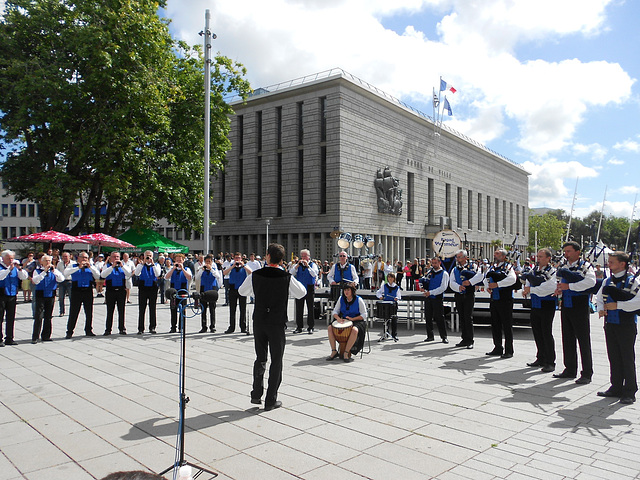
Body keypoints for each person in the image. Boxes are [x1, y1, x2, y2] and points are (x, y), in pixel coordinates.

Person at [238, 243, 306, 411]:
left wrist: (258, 291)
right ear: (282, 259)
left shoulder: (256, 274)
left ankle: (256, 393)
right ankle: (271, 399)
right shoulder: (286, 277)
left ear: (267, 256)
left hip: (260, 320)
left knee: (260, 357)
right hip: (276, 322)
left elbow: (241, 291)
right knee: (276, 360)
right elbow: (302, 293)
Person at [596, 251, 640, 404]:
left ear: (622, 264)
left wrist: (618, 305)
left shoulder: (633, 280)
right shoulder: (607, 281)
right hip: (610, 324)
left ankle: (629, 391)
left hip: (626, 325)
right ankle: (616, 387)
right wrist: (601, 307)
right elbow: (599, 296)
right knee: (613, 356)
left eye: (612, 261)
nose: (609, 264)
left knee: (627, 358)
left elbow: (637, 302)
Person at [554, 241, 596, 384]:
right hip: (566, 304)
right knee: (567, 337)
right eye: (565, 251)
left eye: (569, 251)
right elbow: (559, 281)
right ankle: (570, 368)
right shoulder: (564, 266)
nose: (566, 254)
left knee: (583, 339)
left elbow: (590, 282)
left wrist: (569, 286)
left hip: (579, 305)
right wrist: (559, 289)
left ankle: (587, 372)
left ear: (578, 252)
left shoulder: (585, 266)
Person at [522, 248, 558, 373]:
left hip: (547, 304)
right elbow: (528, 280)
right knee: (537, 331)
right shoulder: (534, 269)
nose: (538, 258)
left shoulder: (552, 271)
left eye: (541, 256)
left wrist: (531, 290)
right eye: (538, 256)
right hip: (536, 304)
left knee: (546, 332)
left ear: (548, 258)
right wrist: (527, 287)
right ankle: (540, 357)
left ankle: (550, 361)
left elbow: (549, 287)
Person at [484, 249, 517, 358]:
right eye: (495, 253)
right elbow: (486, 278)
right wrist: (487, 286)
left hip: (505, 299)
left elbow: (512, 279)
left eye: (497, 253)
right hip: (494, 298)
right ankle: (497, 347)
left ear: (503, 256)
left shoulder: (508, 267)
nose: (495, 255)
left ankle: (509, 350)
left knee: (507, 325)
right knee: (495, 324)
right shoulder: (492, 267)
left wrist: (498, 284)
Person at [449, 249, 484, 349]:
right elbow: (451, 281)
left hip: (469, 294)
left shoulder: (473, 266)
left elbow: (480, 275)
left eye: (459, 257)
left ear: (465, 258)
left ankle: (470, 340)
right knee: (462, 317)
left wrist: (470, 282)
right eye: (457, 257)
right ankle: (464, 338)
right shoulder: (455, 269)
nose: (457, 259)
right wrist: (458, 287)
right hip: (459, 295)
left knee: (468, 317)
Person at [327, 282, 368, 362]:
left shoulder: (359, 300)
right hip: (343, 319)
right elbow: (335, 311)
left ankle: (346, 352)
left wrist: (353, 319)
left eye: (348, 290)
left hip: (357, 320)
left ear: (352, 291)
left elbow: (364, 315)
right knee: (330, 328)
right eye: (345, 290)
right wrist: (338, 319)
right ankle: (334, 351)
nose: (346, 292)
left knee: (354, 330)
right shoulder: (341, 299)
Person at [65, 252, 101, 338]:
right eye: (83, 258)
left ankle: (88, 330)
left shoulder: (91, 266)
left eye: (86, 258)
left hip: (87, 290)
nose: (85, 259)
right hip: (76, 290)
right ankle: (69, 331)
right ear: (79, 258)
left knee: (89, 311)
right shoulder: (73, 265)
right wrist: (78, 267)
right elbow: (65, 274)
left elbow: (97, 275)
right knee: (74, 311)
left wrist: (91, 267)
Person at [31, 254, 65, 343]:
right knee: (38, 316)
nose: (48, 262)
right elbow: (35, 281)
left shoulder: (54, 271)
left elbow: (61, 279)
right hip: (40, 294)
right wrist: (44, 272)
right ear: (41, 262)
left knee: (48, 316)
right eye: (46, 261)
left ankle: (46, 335)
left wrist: (55, 271)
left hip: (51, 294)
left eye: (49, 261)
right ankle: (35, 336)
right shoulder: (37, 271)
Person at [0, 250, 28, 346]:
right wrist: (9, 269)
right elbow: (1, 277)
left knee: (11, 317)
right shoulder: (1, 266)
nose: (11, 260)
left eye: (12, 258)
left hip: (12, 294)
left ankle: (9, 338)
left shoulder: (15, 267)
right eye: (9, 258)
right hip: (1, 294)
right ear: (3, 258)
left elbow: (24, 277)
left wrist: (19, 269)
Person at [100, 252, 132, 335]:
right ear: (110, 258)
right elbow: (103, 275)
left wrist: (122, 266)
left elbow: (129, 274)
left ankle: (122, 328)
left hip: (121, 290)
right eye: (114, 257)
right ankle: (108, 329)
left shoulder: (123, 266)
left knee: (121, 310)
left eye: (117, 256)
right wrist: (112, 266)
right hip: (111, 290)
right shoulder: (107, 266)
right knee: (110, 310)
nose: (116, 258)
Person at [420, 256, 449, 343]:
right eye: (433, 263)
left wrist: (431, 292)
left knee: (439, 318)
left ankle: (444, 337)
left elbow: (443, 287)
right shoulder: (430, 272)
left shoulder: (444, 273)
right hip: (428, 298)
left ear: (439, 263)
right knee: (428, 317)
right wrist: (423, 288)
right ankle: (430, 336)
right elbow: (425, 281)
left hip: (437, 298)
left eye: (435, 263)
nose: (434, 265)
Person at [289, 249, 319, 334]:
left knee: (310, 308)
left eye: (305, 256)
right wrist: (296, 266)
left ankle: (310, 326)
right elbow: (291, 273)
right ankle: (299, 326)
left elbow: (314, 274)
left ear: (308, 256)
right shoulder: (297, 265)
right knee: (299, 308)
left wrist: (308, 266)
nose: (303, 258)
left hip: (309, 288)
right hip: (300, 288)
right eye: (302, 256)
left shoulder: (313, 265)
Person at [223, 252, 252, 334]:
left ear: (241, 258)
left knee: (242, 309)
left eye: (238, 258)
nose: (237, 259)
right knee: (232, 309)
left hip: (242, 290)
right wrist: (232, 266)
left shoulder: (245, 266)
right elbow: (225, 273)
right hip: (232, 289)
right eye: (236, 258)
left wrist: (244, 266)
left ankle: (243, 327)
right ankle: (231, 327)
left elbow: (251, 272)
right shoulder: (231, 265)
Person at [165, 253, 193, 333]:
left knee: (183, 309)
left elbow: (189, 277)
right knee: (173, 309)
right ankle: (173, 327)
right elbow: (166, 277)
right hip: (174, 291)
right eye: (177, 260)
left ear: (183, 261)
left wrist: (183, 269)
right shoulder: (172, 269)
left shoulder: (187, 269)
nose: (178, 262)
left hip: (183, 291)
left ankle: (181, 327)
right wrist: (173, 269)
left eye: (180, 260)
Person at [135, 251, 161, 334]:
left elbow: (157, 274)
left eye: (150, 256)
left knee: (152, 307)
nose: (148, 257)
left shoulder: (156, 265)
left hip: (153, 287)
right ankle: (140, 328)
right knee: (142, 308)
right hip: (143, 287)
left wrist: (152, 264)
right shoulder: (140, 265)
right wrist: (143, 263)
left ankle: (152, 327)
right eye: (147, 256)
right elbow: (137, 273)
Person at [196, 254, 223, 333]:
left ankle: (212, 326)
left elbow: (218, 276)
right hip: (203, 289)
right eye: (206, 261)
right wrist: (202, 269)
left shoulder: (214, 269)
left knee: (212, 309)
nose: (208, 263)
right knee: (203, 309)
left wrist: (211, 269)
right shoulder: (202, 269)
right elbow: (197, 278)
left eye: (209, 262)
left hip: (212, 289)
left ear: (212, 262)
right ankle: (204, 326)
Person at [376, 272, 401, 341]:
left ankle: (394, 335)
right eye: (389, 277)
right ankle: (385, 334)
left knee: (394, 319)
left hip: (393, 305)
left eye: (391, 277)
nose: (390, 279)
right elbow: (378, 292)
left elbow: (399, 296)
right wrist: (380, 296)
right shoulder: (385, 286)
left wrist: (396, 298)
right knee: (386, 320)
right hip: (386, 304)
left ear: (393, 279)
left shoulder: (396, 287)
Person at [56, 251, 73, 316]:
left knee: (71, 297)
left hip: (70, 281)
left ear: (69, 257)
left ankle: (72, 311)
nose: (65, 258)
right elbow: (57, 272)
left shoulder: (73, 263)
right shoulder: (59, 263)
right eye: (63, 256)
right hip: (62, 282)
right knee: (61, 297)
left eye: (66, 256)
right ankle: (61, 311)